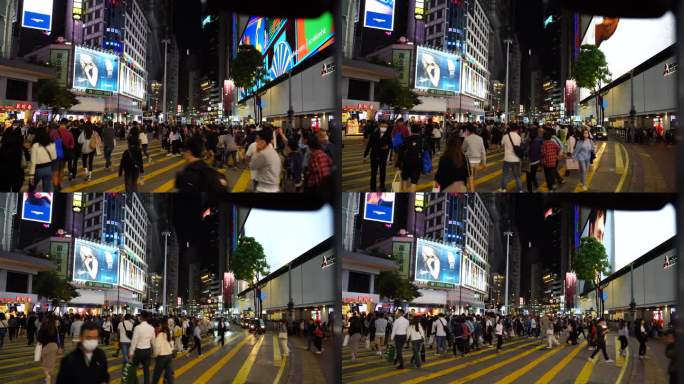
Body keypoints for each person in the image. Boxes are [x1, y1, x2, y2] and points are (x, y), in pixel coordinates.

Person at [249, 128, 282, 192]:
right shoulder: (273, 151)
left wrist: (257, 150)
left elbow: (252, 166)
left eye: (257, 139)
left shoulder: (263, 154)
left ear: (263, 141)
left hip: (264, 189)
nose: (256, 141)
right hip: (274, 187)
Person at [396, 125, 426, 193]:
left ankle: (404, 193)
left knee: (404, 178)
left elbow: (401, 152)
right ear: (419, 131)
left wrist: (398, 164)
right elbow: (426, 151)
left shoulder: (406, 139)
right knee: (414, 181)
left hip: (406, 161)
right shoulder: (422, 140)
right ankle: (411, 194)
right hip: (417, 162)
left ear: (411, 130)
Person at [364, 121, 392, 192]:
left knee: (383, 172)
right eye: (383, 126)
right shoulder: (374, 133)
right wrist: (365, 155)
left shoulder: (388, 135)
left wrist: (387, 147)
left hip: (383, 156)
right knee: (373, 172)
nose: (384, 128)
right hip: (374, 155)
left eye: (386, 127)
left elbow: (390, 145)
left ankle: (382, 186)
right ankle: (373, 187)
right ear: (379, 126)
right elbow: (369, 145)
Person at [129, 312, 156, 384]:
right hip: (147, 351)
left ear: (141, 317)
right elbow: (153, 342)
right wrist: (155, 352)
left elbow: (134, 341)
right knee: (146, 370)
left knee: (133, 369)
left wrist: (131, 353)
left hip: (139, 351)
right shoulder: (151, 328)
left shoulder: (137, 328)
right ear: (147, 318)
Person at [28, 128, 57, 192]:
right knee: (47, 189)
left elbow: (33, 162)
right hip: (49, 168)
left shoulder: (35, 145)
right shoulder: (52, 143)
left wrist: (31, 175)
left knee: (31, 188)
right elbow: (54, 157)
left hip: (38, 170)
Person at [499, 124, 523, 192]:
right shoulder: (519, 137)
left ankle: (503, 188)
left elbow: (502, 144)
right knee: (517, 176)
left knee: (505, 175)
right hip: (516, 159)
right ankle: (520, 189)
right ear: (517, 129)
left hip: (507, 158)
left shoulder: (505, 136)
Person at [462, 125, 486, 192]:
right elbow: (483, 152)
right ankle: (472, 186)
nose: (466, 132)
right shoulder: (480, 138)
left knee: (470, 176)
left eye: (466, 130)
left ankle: (471, 189)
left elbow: (463, 149)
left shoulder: (467, 138)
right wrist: (484, 162)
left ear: (469, 131)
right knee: (474, 175)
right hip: (478, 160)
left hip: (469, 160)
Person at [37, 315, 59, 383]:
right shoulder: (55, 327)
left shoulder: (43, 326)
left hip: (46, 346)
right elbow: (57, 338)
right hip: (54, 346)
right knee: (51, 363)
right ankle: (48, 376)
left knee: (45, 363)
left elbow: (39, 338)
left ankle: (47, 376)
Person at [152, 320, 175, 384]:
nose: (159, 327)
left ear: (161, 326)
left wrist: (155, 355)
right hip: (169, 356)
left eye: (159, 326)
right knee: (168, 374)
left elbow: (157, 347)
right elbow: (172, 345)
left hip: (162, 357)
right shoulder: (168, 334)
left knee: (157, 374)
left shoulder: (160, 335)